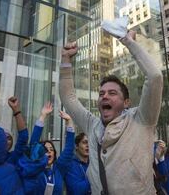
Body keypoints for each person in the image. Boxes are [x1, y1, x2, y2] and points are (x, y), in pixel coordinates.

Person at [60, 29, 163, 194]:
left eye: (112, 93)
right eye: (101, 94)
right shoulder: (92, 125)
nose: (105, 96)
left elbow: (154, 77)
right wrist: (65, 60)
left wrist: (129, 42)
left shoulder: (142, 118)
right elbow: (68, 98)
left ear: (126, 102)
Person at [27, 103, 75, 195]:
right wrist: (43, 116)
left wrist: (69, 122)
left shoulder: (58, 169)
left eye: (51, 149)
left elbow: (69, 149)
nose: (49, 151)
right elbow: (33, 143)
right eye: (45, 149)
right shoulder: (34, 167)